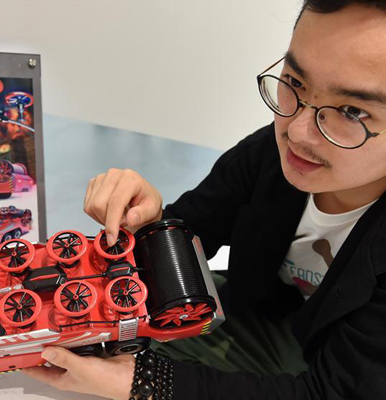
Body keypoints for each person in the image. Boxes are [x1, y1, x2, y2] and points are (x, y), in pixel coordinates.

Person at [22, 1, 386, 399]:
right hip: (264, 316)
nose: (297, 132)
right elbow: (195, 230)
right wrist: (151, 222)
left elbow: (332, 392)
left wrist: (147, 383)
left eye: (352, 111)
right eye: (295, 82)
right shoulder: (269, 154)